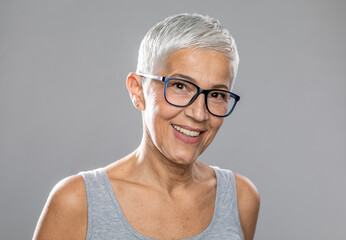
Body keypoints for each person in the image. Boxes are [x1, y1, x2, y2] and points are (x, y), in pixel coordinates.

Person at [33, 13, 260, 240]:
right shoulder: (77, 202)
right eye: (180, 86)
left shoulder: (240, 199)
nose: (199, 113)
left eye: (217, 94)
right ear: (137, 91)